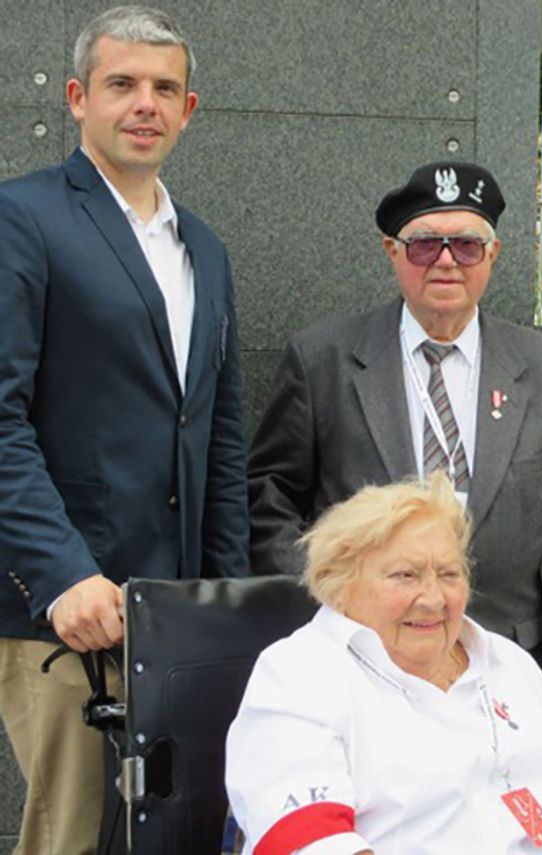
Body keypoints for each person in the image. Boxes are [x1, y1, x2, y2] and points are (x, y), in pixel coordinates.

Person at [0, 6, 248, 852]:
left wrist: (231, 601)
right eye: (122, 84)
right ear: (77, 97)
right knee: (74, 837)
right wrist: (62, 573)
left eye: (164, 88)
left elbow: (219, 440)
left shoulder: (204, 251)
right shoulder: (23, 219)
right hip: (67, 617)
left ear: (189, 109)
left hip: (179, 620)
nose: (144, 102)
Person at [248, 161, 542, 715]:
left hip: (509, 653)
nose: (444, 260)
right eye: (423, 245)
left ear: (493, 254)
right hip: (363, 652)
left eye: (465, 245)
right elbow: (268, 496)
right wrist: (325, 597)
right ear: (392, 252)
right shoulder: (324, 361)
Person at [227, 475, 542, 853]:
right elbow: (310, 842)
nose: (433, 598)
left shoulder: (505, 659)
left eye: (448, 574)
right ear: (339, 583)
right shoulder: (299, 674)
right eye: (406, 575)